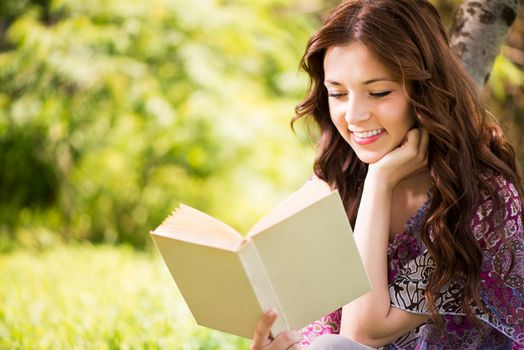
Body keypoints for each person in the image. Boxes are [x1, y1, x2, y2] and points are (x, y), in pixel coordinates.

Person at [249, 0, 524, 349]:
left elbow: (360, 333)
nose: (354, 115)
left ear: (425, 91)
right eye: (338, 93)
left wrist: (380, 182)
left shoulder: (481, 200)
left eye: (379, 92)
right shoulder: (340, 175)